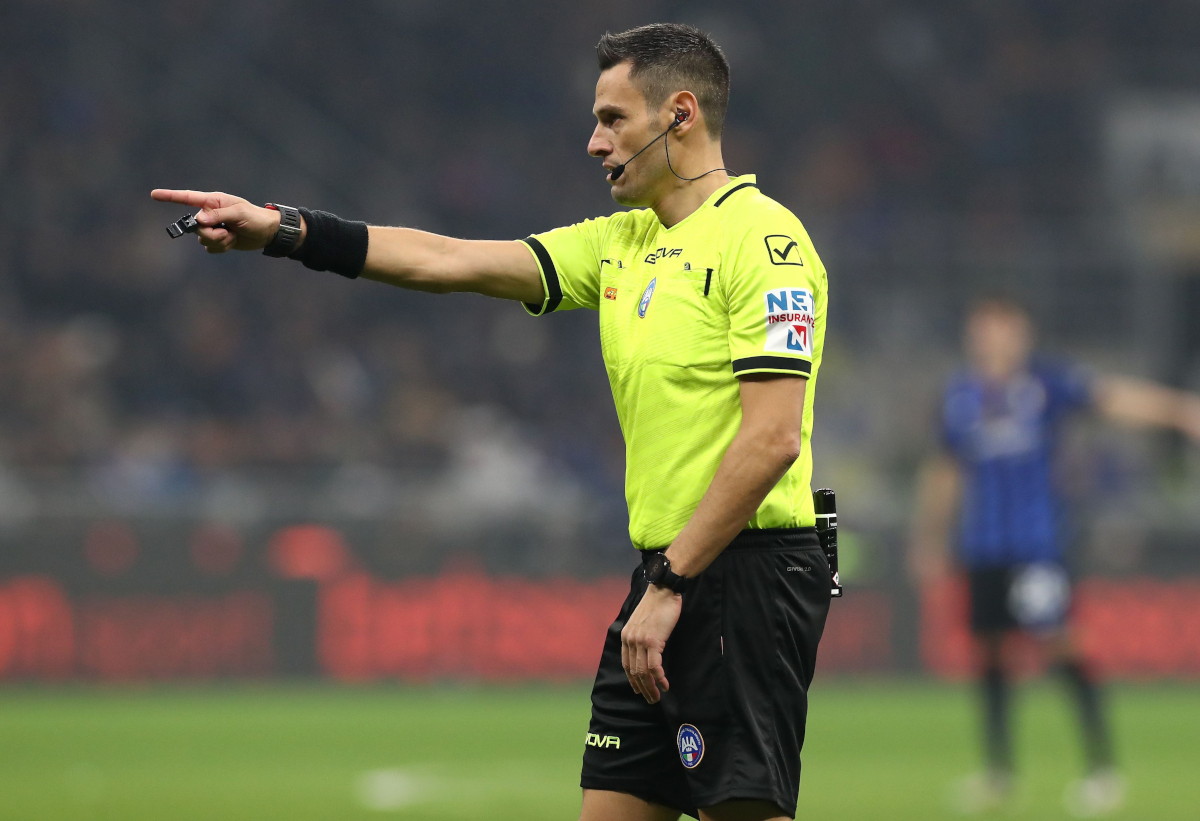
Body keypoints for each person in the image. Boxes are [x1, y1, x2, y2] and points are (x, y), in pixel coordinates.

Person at [153, 24, 831, 821]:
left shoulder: (766, 243)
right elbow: (446, 260)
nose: (594, 141)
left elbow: (772, 439)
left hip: (742, 577)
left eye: (613, 119)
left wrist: (671, 583)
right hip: (665, 575)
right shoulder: (622, 242)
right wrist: (282, 229)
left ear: (679, 114)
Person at [909, 297, 1200, 817]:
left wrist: (1178, 410)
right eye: (987, 329)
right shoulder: (959, 397)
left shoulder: (1045, 384)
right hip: (983, 548)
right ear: (974, 335)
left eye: (1007, 329)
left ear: (1023, 334)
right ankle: (998, 774)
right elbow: (945, 471)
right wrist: (929, 538)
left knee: (1062, 646)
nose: (997, 339)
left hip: (1036, 548)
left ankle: (1101, 769)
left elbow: (1113, 397)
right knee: (990, 654)